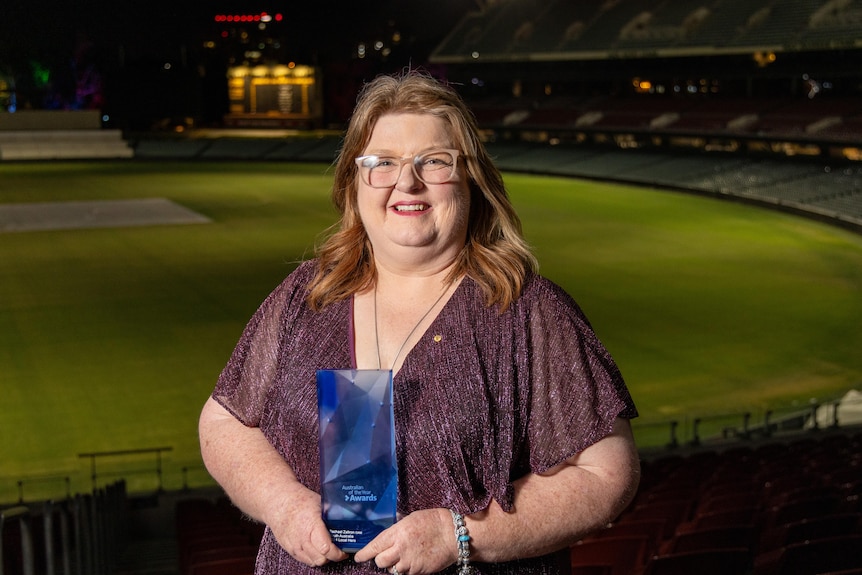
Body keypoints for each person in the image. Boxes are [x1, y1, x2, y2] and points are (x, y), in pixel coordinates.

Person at [198, 70, 640, 575]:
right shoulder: (307, 295)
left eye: (433, 161)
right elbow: (223, 420)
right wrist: (283, 505)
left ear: (472, 179)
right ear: (354, 181)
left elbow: (607, 475)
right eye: (382, 163)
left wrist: (462, 535)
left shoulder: (528, 310)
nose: (406, 182)